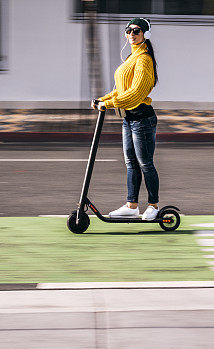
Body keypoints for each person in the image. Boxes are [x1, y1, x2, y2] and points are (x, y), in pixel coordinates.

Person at [92, 17, 160, 220]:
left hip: (143, 119)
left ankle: (153, 206)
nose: (131, 34)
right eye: (128, 30)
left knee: (145, 163)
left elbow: (137, 93)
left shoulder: (144, 59)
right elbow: (121, 91)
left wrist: (109, 104)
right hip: (129, 119)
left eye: (136, 31)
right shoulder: (132, 57)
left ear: (145, 35)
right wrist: (102, 99)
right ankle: (131, 206)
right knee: (131, 163)